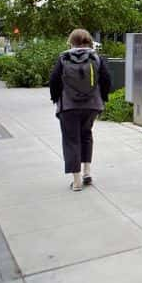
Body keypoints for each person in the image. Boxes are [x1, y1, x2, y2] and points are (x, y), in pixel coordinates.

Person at [49, 29, 112, 191]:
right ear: (89, 41)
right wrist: (102, 98)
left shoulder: (63, 58)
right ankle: (87, 172)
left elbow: (54, 81)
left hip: (69, 107)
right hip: (91, 106)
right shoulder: (96, 58)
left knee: (71, 140)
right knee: (86, 136)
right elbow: (106, 80)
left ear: (71, 42)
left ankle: (76, 181)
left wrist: (56, 99)